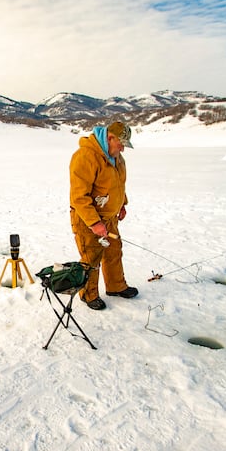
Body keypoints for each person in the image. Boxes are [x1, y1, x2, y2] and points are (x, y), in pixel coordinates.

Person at [69, 120, 138, 310]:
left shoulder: (117, 157)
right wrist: (94, 223)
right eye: (121, 144)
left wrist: (122, 204)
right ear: (110, 138)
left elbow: (118, 185)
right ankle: (88, 294)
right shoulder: (85, 156)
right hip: (87, 219)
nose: (122, 149)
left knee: (114, 251)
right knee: (91, 257)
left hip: (110, 217)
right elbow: (79, 197)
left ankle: (116, 286)